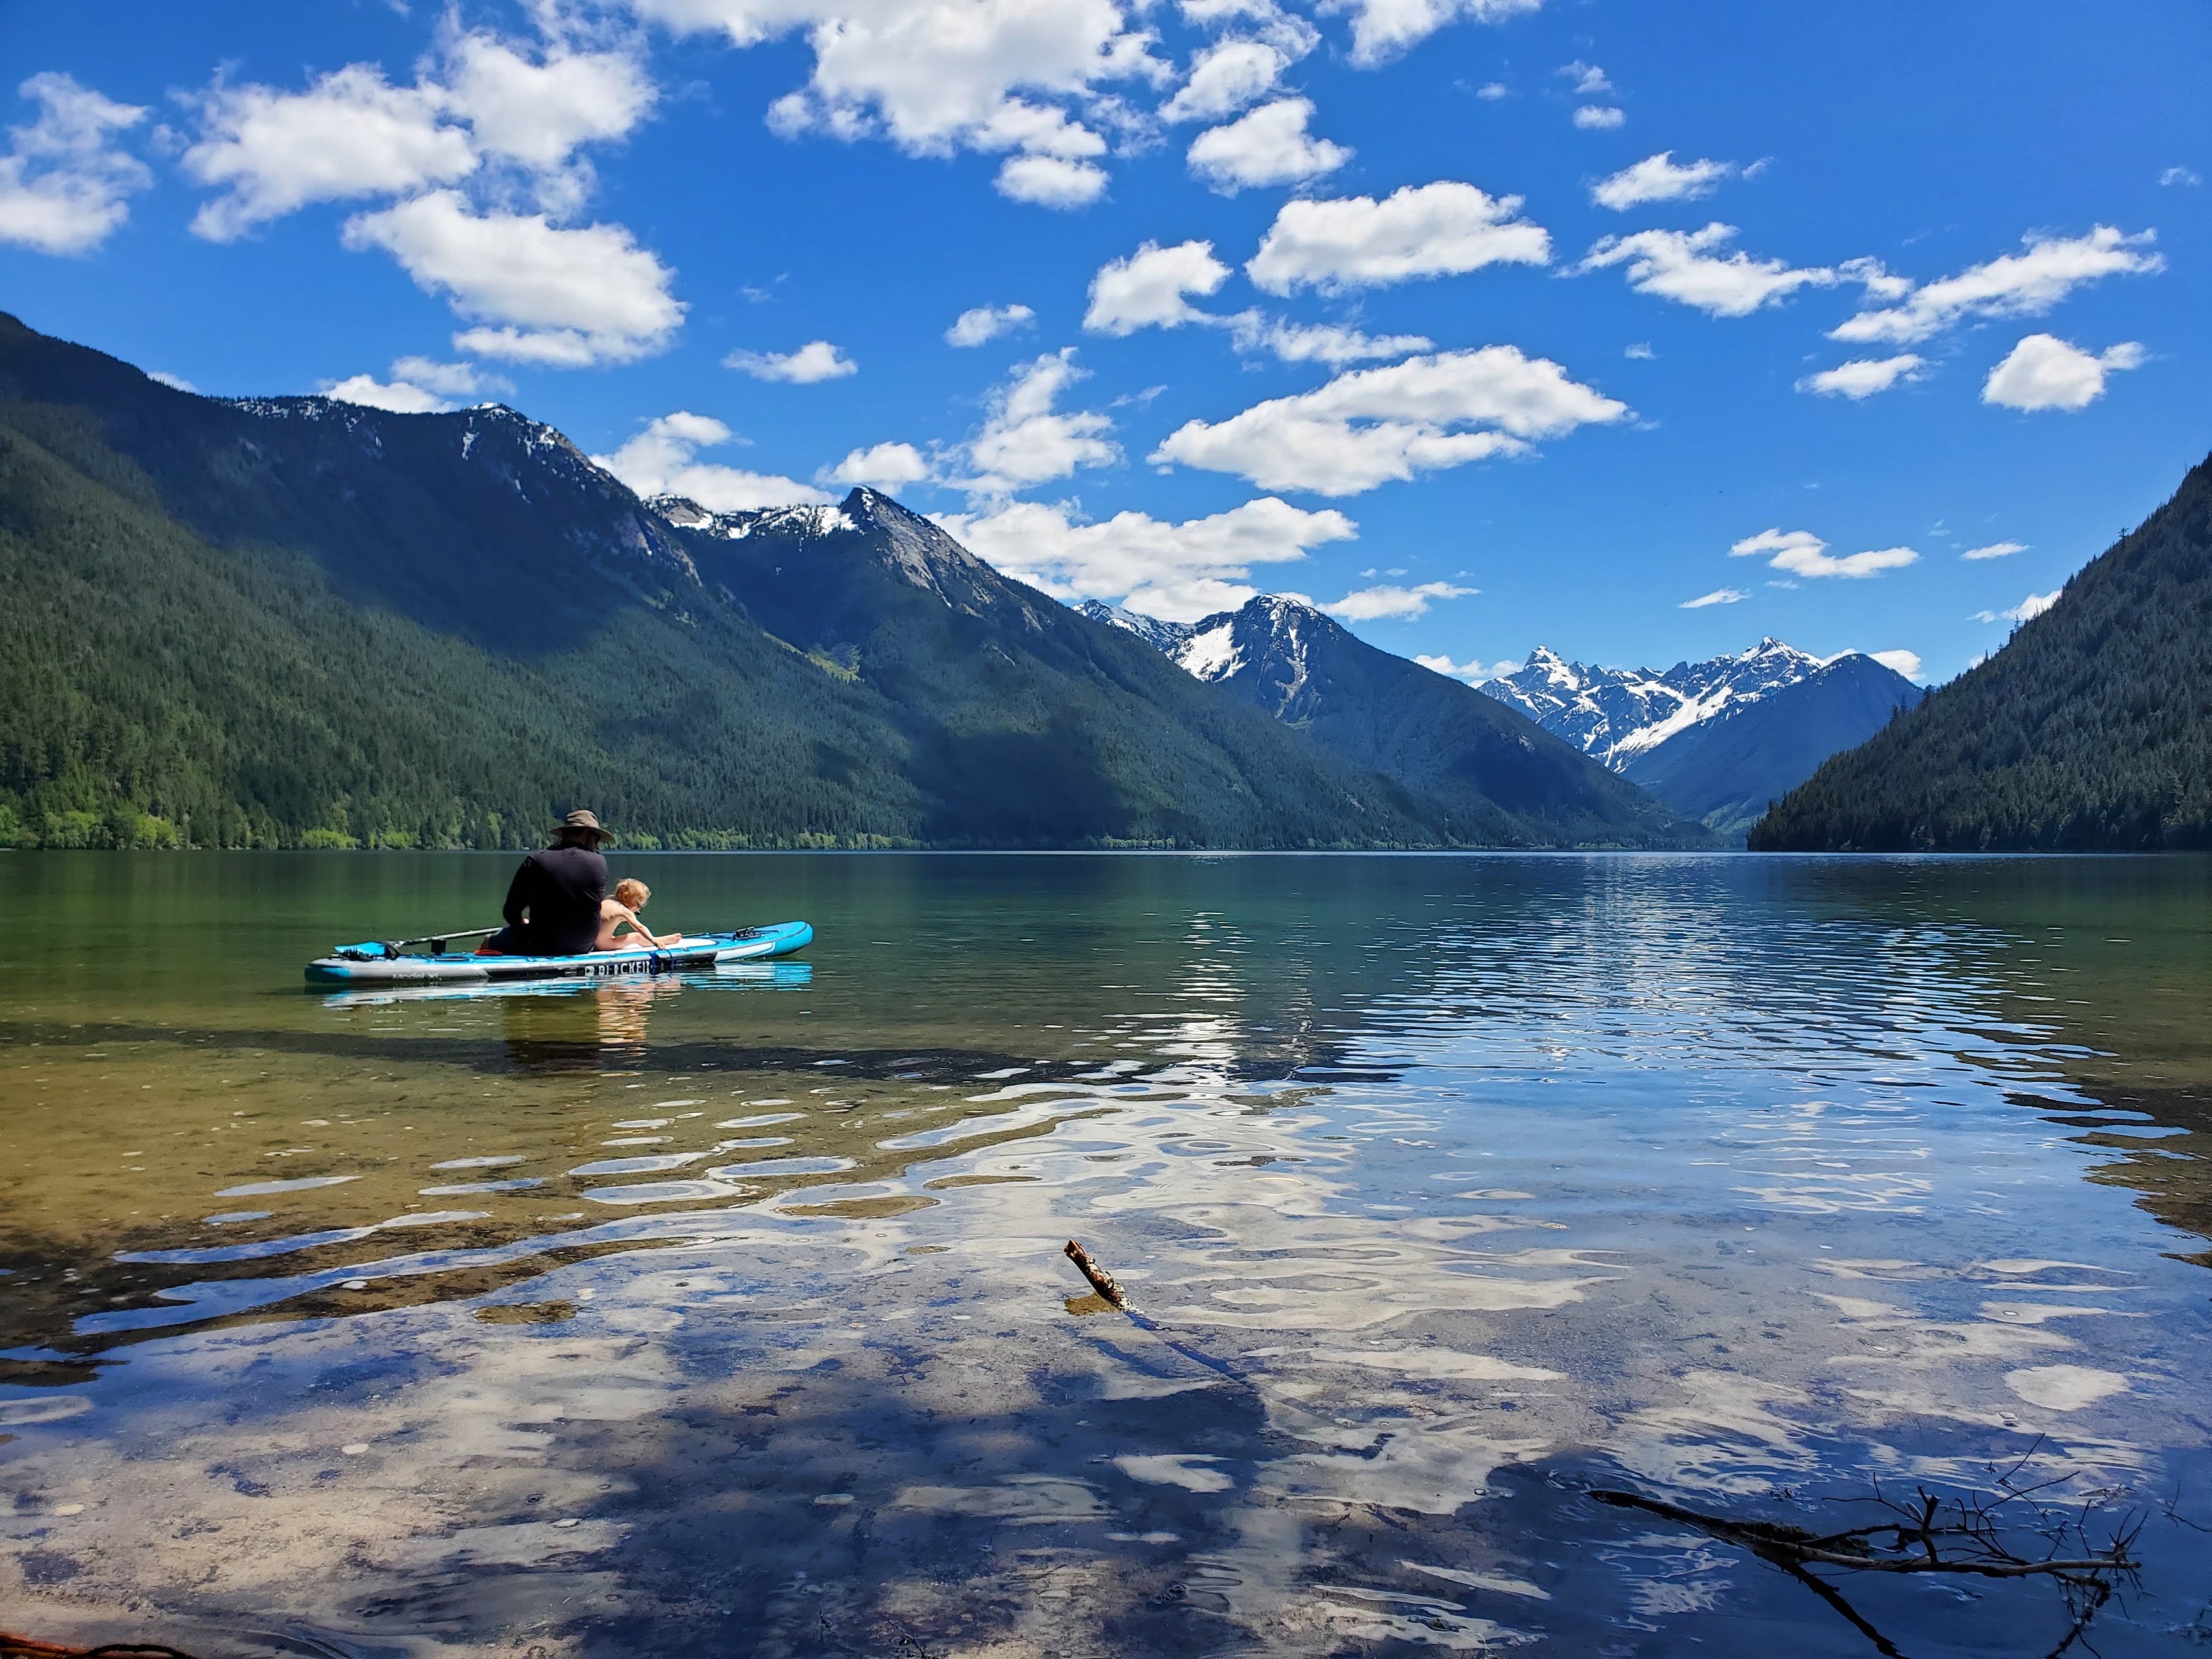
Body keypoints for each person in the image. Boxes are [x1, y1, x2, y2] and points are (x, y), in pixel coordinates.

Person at [477, 810, 613, 957]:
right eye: (597, 839)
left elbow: (511, 912)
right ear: (588, 835)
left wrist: (523, 926)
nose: (596, 844)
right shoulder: (600, 863)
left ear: (565, 835)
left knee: (489, 940)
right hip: (583, 945)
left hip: (542, 944)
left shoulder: (536, 860)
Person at [596, 878, 675, 952]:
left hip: (591, 941)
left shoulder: (607, 901)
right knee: (636, 937)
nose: (638, 910)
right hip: (603, 945)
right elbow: (639, 927)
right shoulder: (624, 911)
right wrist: (653, 941)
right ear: (633, 902)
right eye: (639, 906)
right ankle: (662, 940)